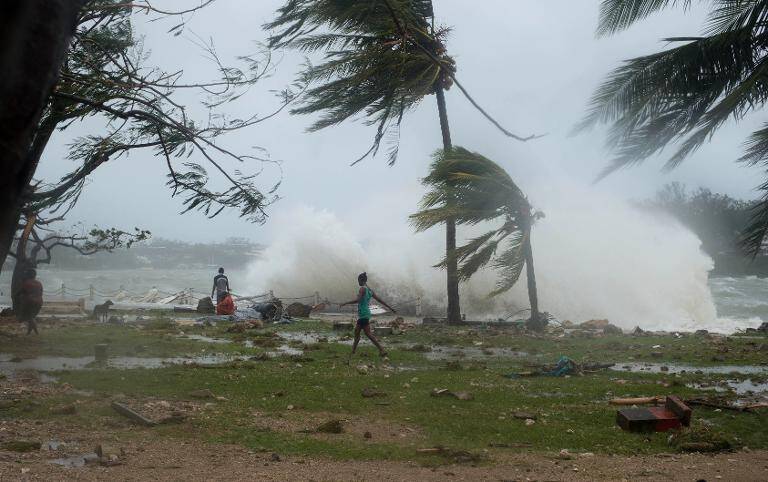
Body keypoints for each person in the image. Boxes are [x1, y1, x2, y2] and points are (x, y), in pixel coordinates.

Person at [340, 272, 396, 360]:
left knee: (363, 333)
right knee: (361, 333)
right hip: (366, 313)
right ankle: (355, 351)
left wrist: (345, 303)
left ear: (361, 280)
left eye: (358, 280)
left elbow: (358, 300)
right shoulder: (370, 291)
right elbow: (380, 300)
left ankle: (380, 349)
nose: (358, 282)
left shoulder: (362, 289)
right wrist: (390, 308)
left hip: (363, 314)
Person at [16, 268, 43, 335]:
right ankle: (29, 332)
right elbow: (41, 293)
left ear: (27, 275)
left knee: (29, 317)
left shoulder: (26, 283)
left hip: (30, 302)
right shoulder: (39, 283)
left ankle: (36, 332)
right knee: (31, 317)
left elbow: (20, 292)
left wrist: (16, 295)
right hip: (39, 302)